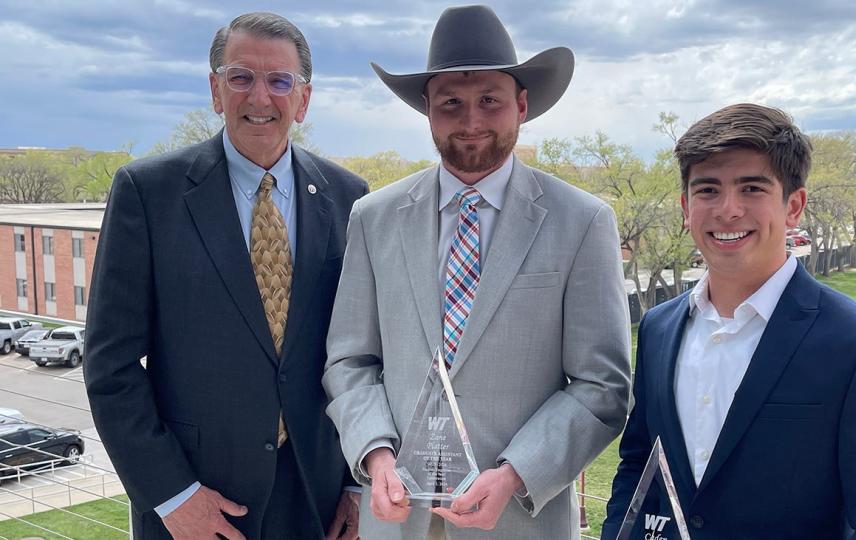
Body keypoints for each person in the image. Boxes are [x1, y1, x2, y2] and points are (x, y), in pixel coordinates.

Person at [321, 5, 631, 539]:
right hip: (394, 522)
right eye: (451, 104)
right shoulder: (374, 218)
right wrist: (375, 456)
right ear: (427, 109)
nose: (471, 122)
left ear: (522, 105)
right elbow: (349, 361)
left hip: (517, 520)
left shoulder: (582, 221)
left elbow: (602, 386)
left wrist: (514, 474)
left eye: (489, 100)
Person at [84, 12, 367, 540]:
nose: (260, 97)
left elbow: (369, 352)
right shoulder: (147, 194)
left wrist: (358, 485)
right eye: (241, 77)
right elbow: (110, 366)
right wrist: (171, 494)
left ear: (302, 100)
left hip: (318, 501)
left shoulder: (352, 199)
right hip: (197, 502)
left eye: (279, 81)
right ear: (216, 91)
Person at [602, 103, 856, 539]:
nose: (728, 209)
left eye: (752, 189)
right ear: (686, 207)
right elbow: (639, 465)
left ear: (793, 206)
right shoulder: (659, 328)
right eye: (707, 190)